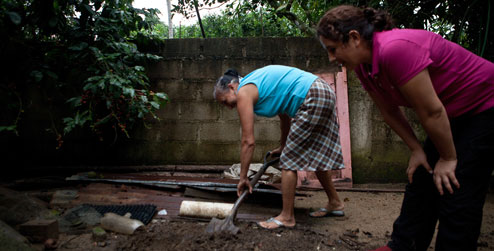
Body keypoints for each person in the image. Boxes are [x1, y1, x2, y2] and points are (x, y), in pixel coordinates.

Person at [316, 5, 494, 251]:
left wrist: (449, 157)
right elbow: (389, 111)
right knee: (423, 175)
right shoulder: (365, 68)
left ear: (354, 38)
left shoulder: (395, 48)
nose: (331, 58)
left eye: (333, 49)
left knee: (456, 184)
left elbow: (432, 111)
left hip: (485, 106)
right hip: (452, 113)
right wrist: (416, 150)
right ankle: (402, 246)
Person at [213, 65, 346, 229]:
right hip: (322, 91)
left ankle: (287, 217)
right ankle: (335, 202)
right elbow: (284, 116)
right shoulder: (258, 84)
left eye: (225, 101)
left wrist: (243, 178)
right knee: (315, 154)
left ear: (231, 86)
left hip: (312, 96)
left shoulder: (244, 92)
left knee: (288, 161)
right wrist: (284, 145)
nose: (229, 107)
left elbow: (248, 141)